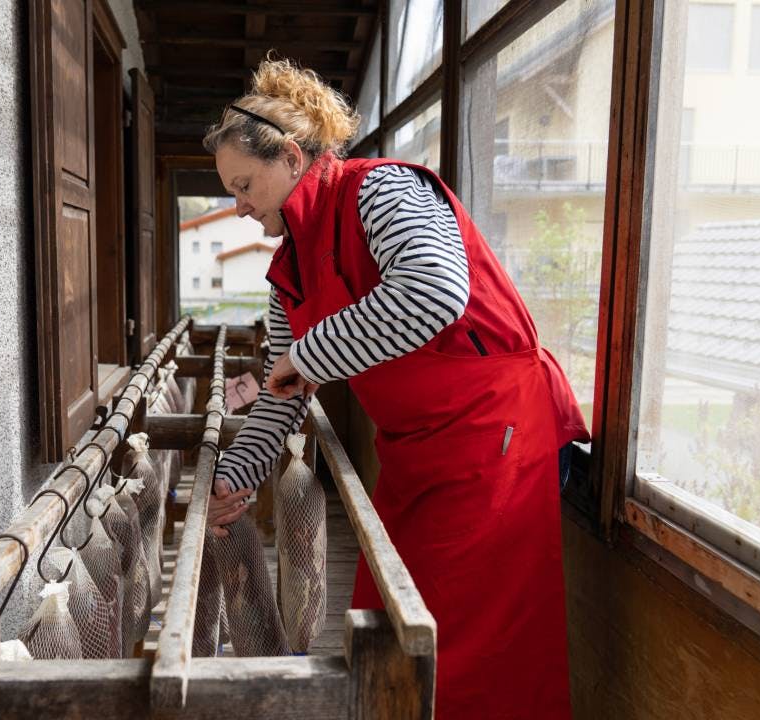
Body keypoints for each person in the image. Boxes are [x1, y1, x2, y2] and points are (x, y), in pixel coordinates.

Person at [204, 57, 589, 719]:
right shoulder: (289, 269)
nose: (238, 207)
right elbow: (282, 388)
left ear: (292, 157)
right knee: (385, 622)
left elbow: (433, 289)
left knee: (468, 650)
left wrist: (311, 352)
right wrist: (233, 478)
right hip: (414, 454)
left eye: (244, 185)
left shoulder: (382, 192)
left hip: (493, 438)